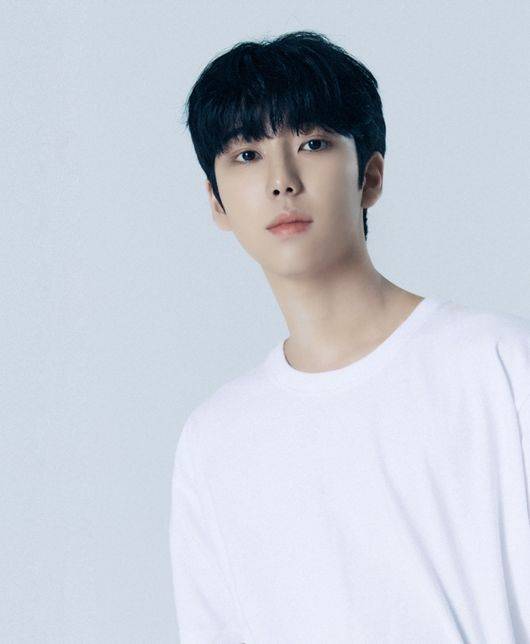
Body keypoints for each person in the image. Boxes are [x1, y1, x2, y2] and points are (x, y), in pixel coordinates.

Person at [169, 30, 530, 643]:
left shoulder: (498, 364)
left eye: (312, 143)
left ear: (370, 176)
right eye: (247, 154)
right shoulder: (214, 441)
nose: (282, 180)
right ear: (217, 203)